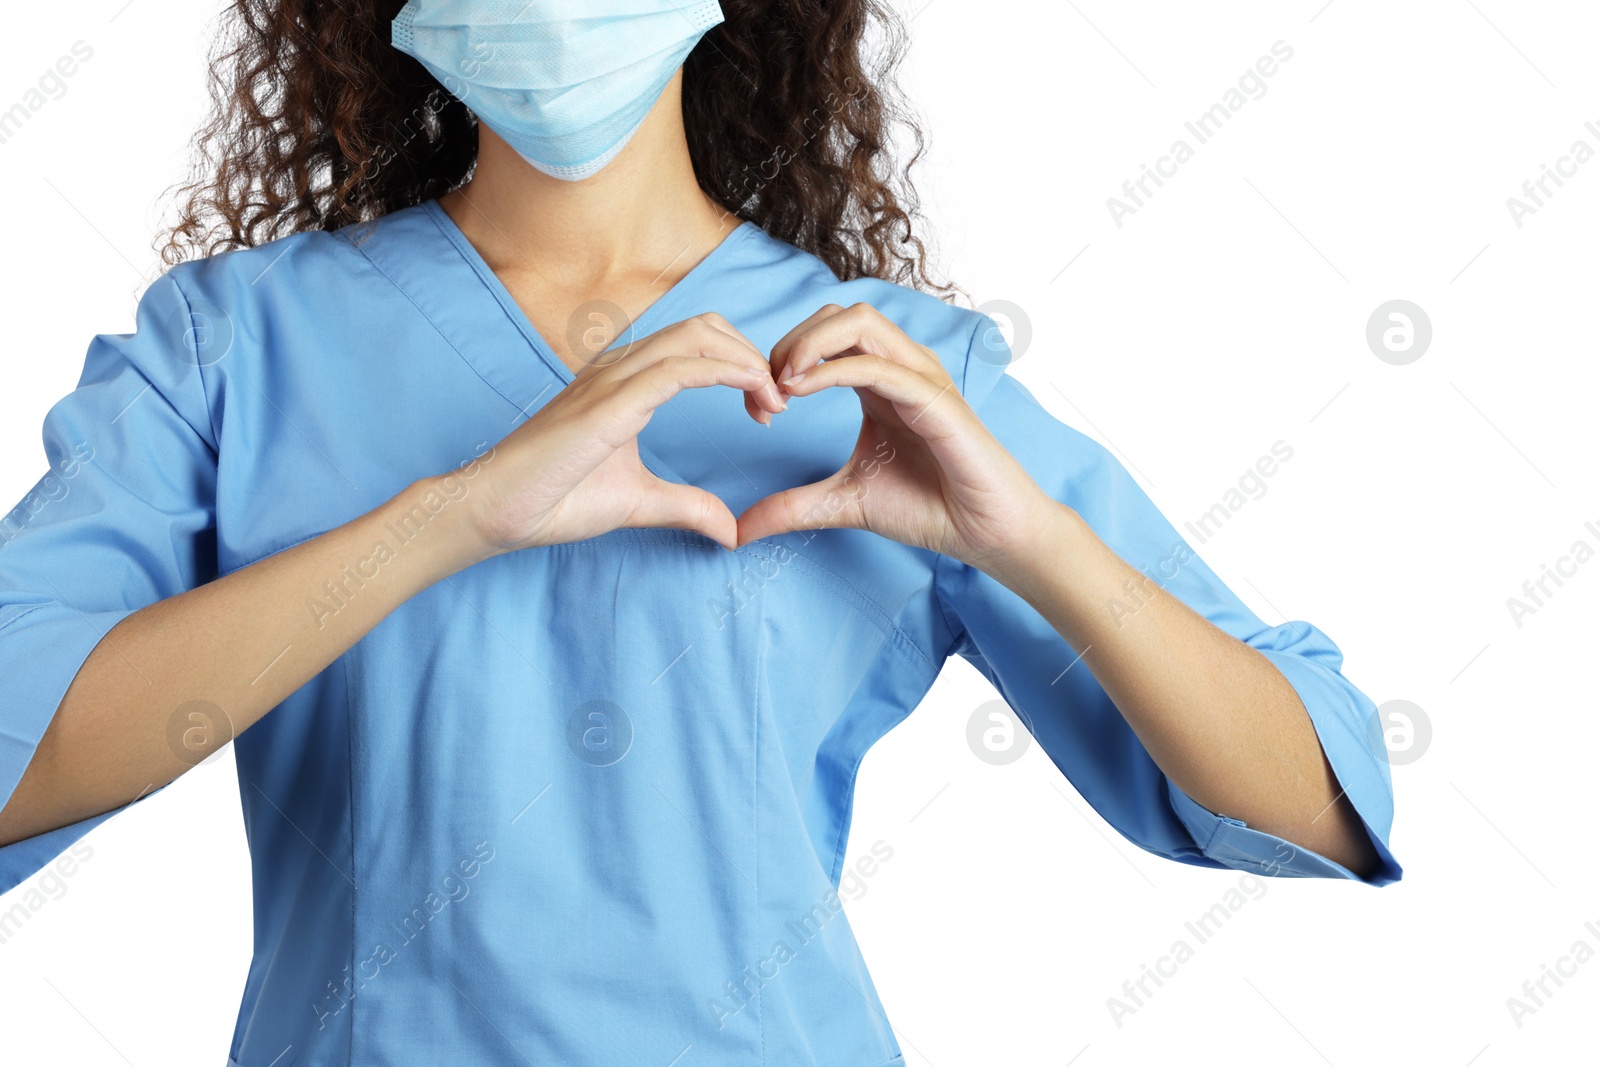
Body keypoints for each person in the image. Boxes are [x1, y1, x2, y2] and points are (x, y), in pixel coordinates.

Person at [0, 1, 1401, 1063]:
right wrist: (447, 518)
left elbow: (1318, 799)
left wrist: (1029, 538)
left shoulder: (887, 377)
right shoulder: (234, 351)